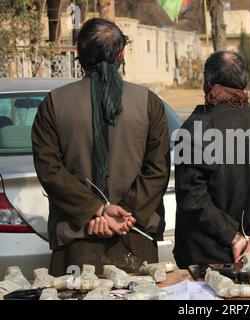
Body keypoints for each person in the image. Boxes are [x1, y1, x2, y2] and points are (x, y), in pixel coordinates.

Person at [32, 18, 170, 276]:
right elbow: (158, 169)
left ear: (79, 54)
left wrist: (97, 211)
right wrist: (123, 214)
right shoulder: (149, 103)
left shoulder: (53, 104)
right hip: (133, 233)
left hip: (77, 236)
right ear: (121, 54)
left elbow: (50, 171)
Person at [173, 51, 250, 268]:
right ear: (244, 82)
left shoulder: (193, 131)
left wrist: (236, 237)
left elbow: (192, 198)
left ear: (208, 82)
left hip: (209, 256)